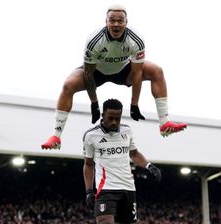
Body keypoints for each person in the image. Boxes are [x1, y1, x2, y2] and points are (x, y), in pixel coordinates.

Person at [41, 4, 187, 150]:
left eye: (120, 21)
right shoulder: (94, 40)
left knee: (157, 71)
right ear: (106, 22)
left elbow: (137, 72)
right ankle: (56, 136)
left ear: (126, 22)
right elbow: (88, 73)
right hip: (96, 72)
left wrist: (134, 104)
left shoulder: (136, 40)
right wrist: (94, 103)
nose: (116, 24)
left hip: (123, 72)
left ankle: (164, 122)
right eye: (112, 20)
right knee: (68, 85)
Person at [83, 98, 162, 224]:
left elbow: (134, 154)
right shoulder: (91, 136)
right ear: (103, 115)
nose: (114, 122)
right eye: (110, 118)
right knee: (104, 221)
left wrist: (149, 166)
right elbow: (88, 165)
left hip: (128, 188)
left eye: (118, 118)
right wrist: (89, 191)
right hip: (106, 189)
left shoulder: (127, 131)